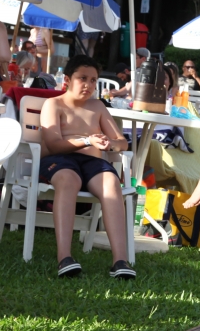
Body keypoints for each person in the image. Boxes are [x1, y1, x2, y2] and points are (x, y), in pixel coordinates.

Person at [39, 55, 134, 278]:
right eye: (82, 78)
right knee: (68, 180)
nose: (88, 85)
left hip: (92, 163)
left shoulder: (97, 106)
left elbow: (122, 142)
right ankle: (64, 257)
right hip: (60, 159)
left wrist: (111, 143)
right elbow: (53, 144)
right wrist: (87, 140)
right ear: (67, 79)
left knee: (111, 182)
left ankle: (120, 260)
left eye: (93, 80)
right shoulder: (54, 104)